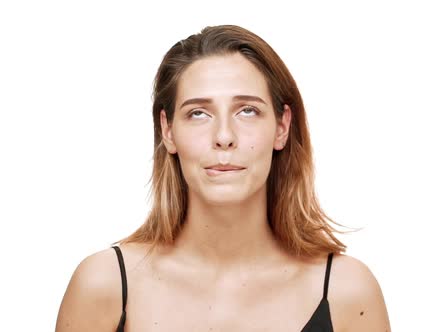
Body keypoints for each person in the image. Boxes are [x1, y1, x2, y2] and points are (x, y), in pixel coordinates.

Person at [55, 24, 391, 331]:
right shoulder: (104, 284)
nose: (224, 136)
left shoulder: (347, 292)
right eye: (198, 113)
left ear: (282, 127)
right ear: (168, 131)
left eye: (247, 110)